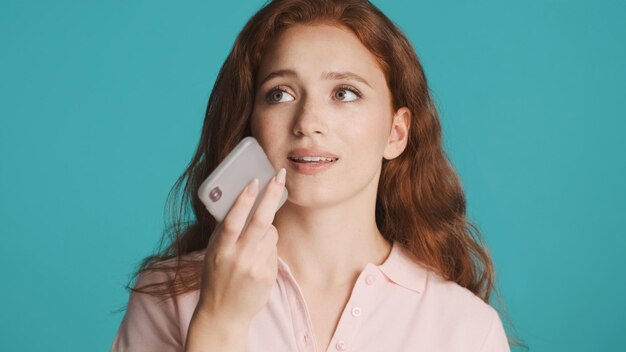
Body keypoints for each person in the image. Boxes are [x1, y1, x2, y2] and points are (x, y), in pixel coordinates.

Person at [111, 0, 517, 351]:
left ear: (396, 133)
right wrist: (220, 322)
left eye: (345, 93)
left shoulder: (467, 329)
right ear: (252, 125)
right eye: (280, 94)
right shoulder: (170, 294)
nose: (308, 122)